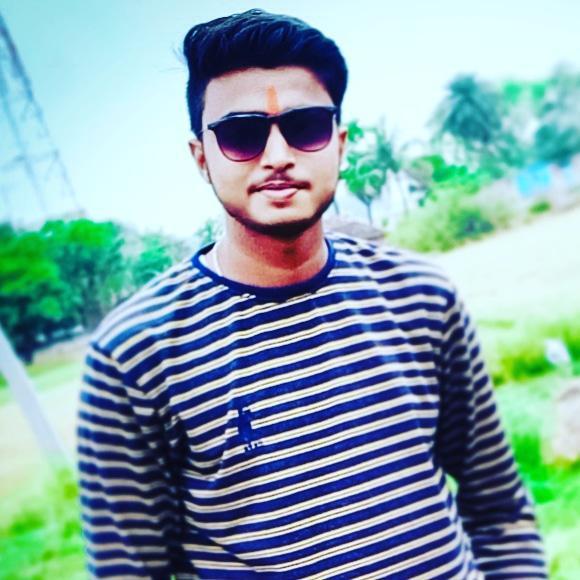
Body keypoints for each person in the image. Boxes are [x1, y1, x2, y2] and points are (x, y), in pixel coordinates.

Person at [78, 9, 547, 579]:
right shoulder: (135, 354)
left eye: (305, 127)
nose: (277, 156)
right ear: (201, 157)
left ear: (339, 144)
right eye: (242, 134)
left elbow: (499, 509)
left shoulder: (423, 297)